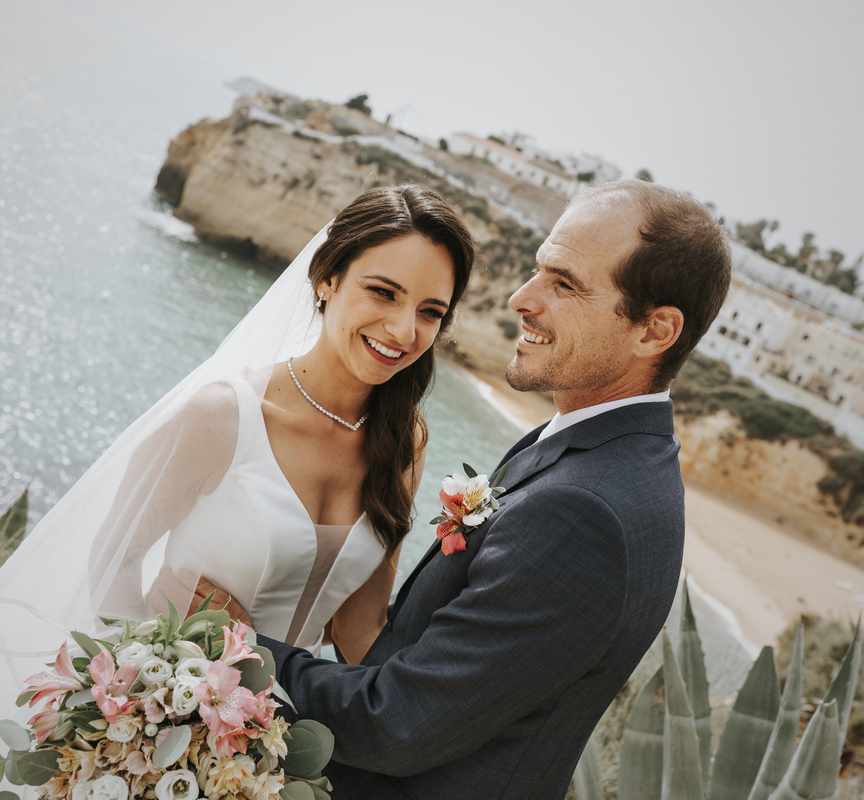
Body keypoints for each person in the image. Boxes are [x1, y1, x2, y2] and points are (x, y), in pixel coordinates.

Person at [0, 184, 475, 799]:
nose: (403, 330)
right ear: (328, 278)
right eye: (383, 292)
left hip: (271, 761)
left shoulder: (402, 444)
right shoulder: (223, 416)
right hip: (159, 740)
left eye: (429, 311)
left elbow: (359, 627)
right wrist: (150, 703)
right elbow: (115, 555)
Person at [251, 179, 733, 799]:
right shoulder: (606, 455)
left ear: (655, 331)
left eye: (565, 284)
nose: (521, 298)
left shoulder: (584, 513)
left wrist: (240, 650)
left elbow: (396, 723)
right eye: (539, 269)